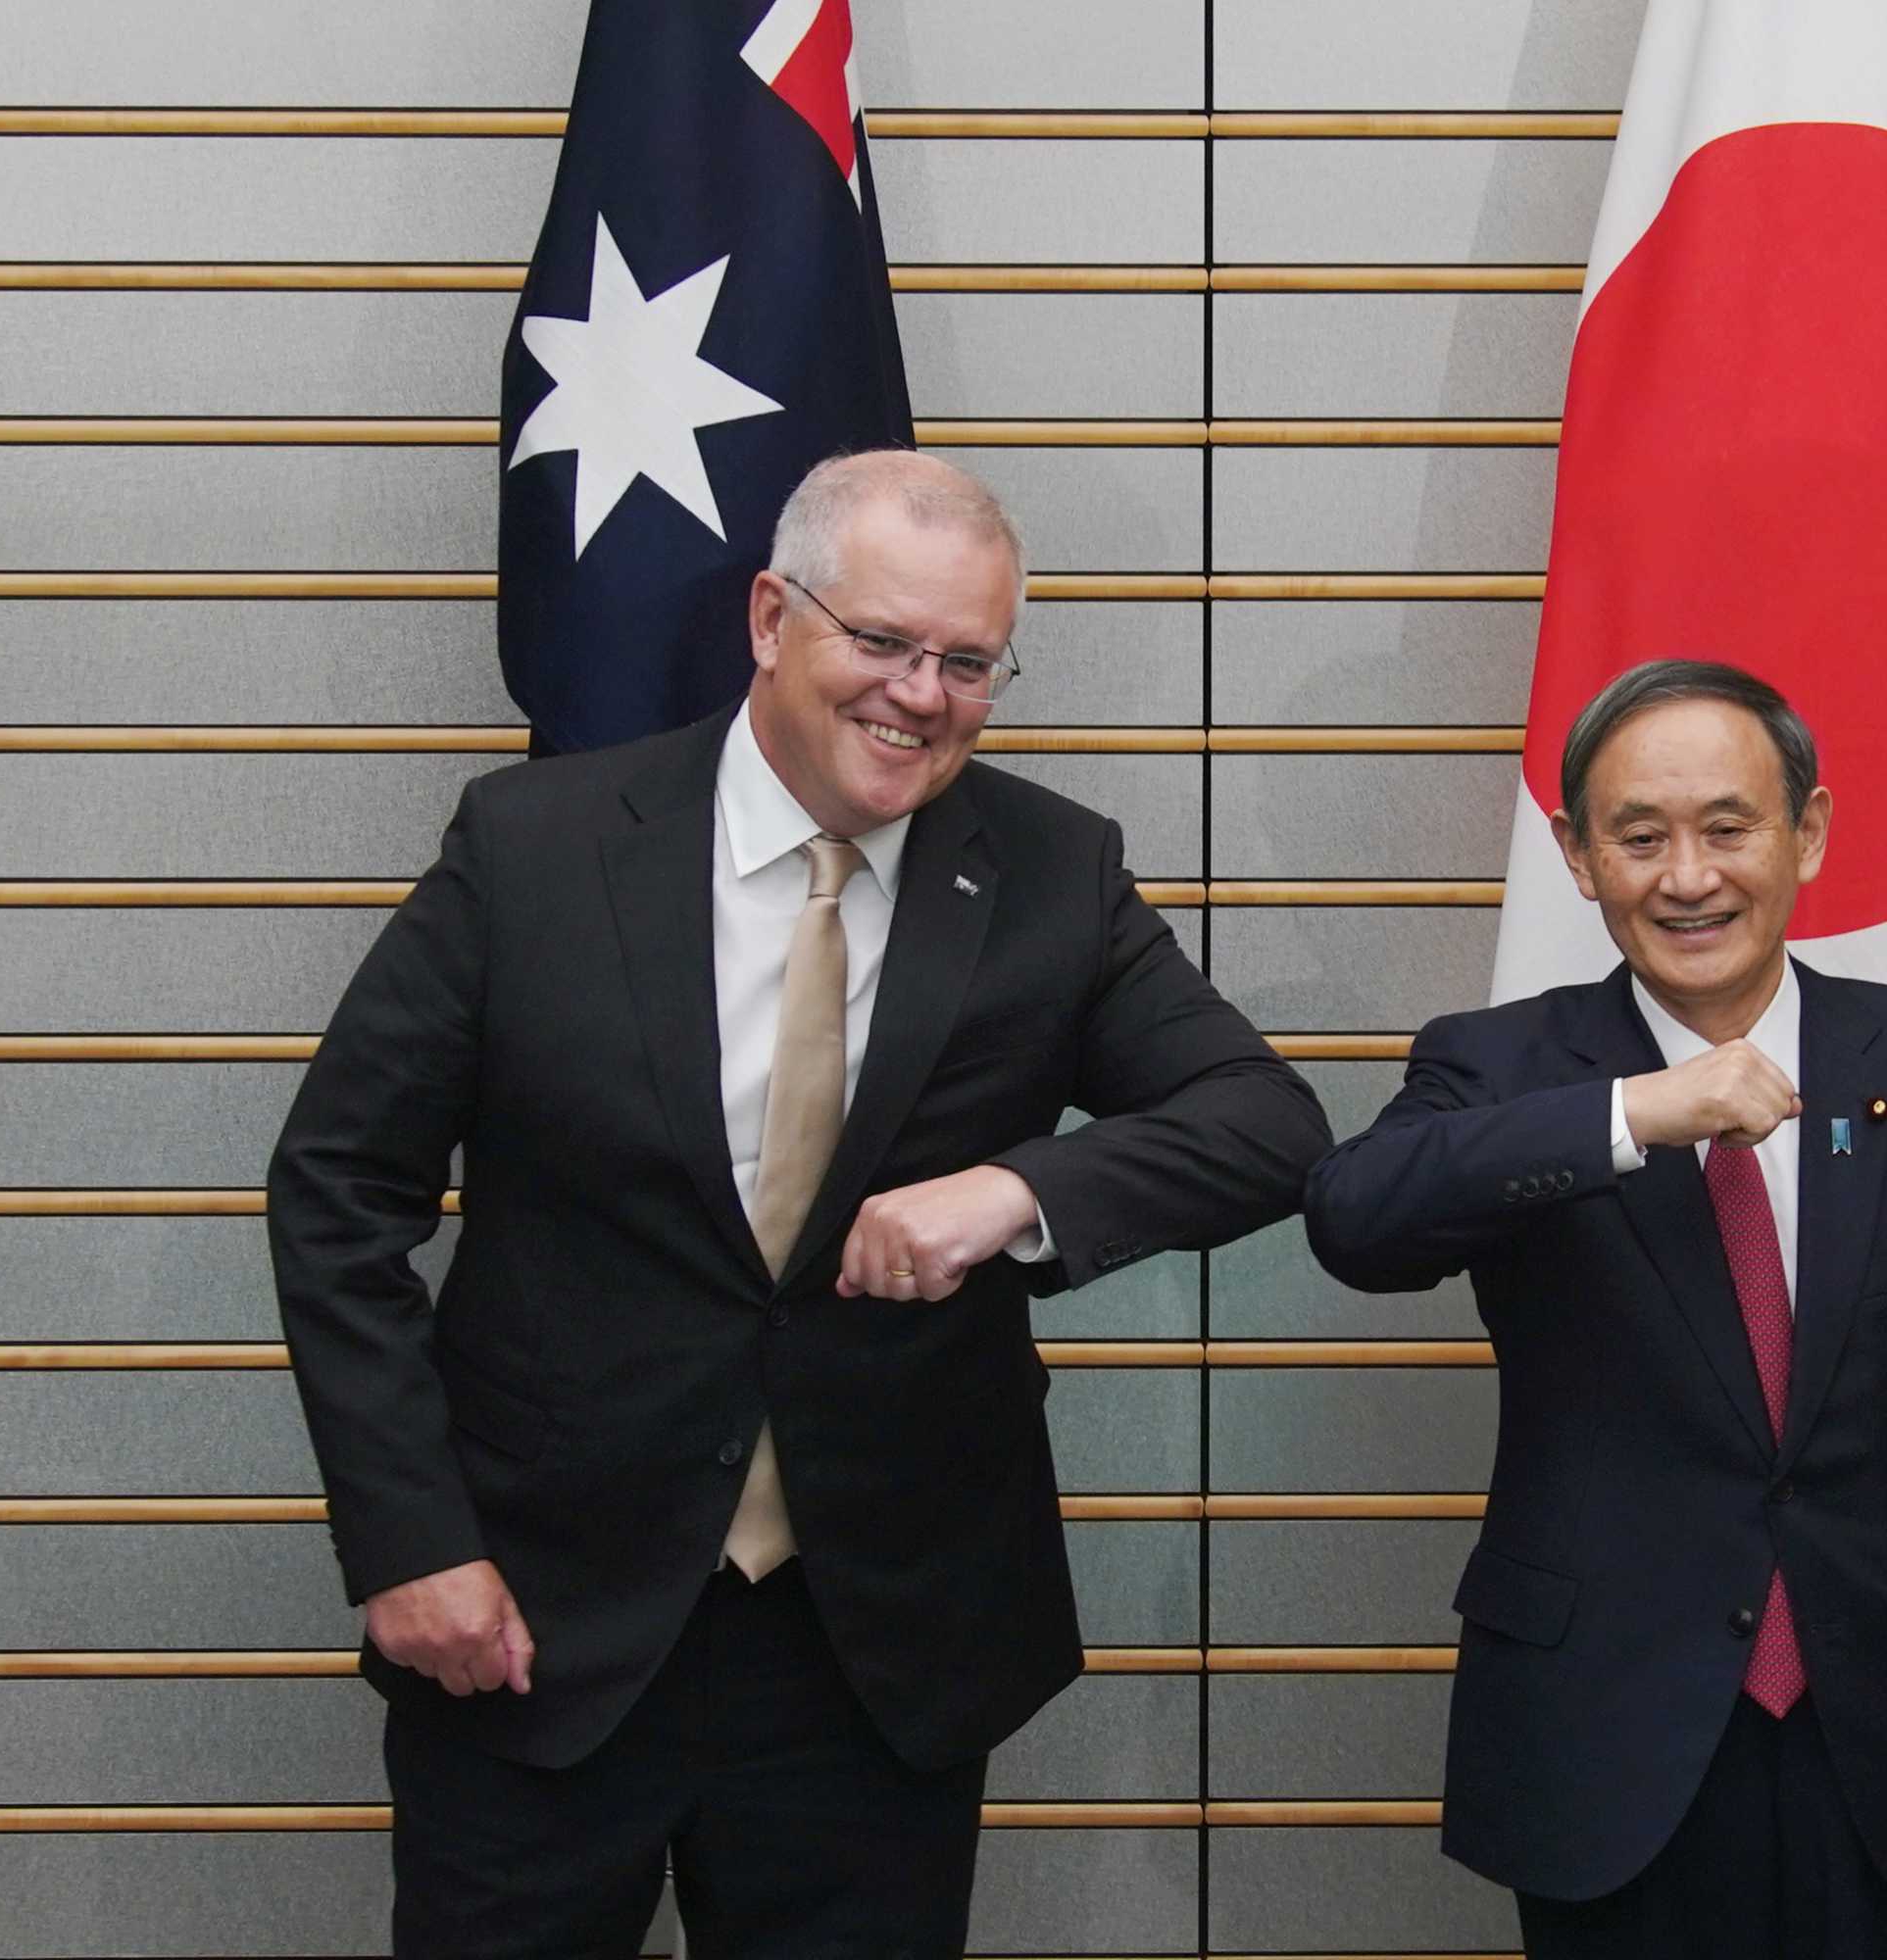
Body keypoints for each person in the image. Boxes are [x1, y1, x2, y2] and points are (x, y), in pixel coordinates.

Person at [269, 450, 1330, 1958]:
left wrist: (1015, 1189)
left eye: (969, 662)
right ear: (772, 617)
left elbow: (1266, 1124)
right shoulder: (537, 846)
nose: (920, 693)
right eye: (883, 642)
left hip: (874, 1653)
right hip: (535, 1622)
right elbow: (336, 1187)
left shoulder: (1049, 871)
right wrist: (405, 1538)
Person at [1303, 660, 1887, 1958]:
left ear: (1807, 832)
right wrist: (1636, 1115)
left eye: (1729, 828)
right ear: (1579, 857)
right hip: (1615, 1736)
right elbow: (1357, 1219)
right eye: (1641, 838)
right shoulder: (1503, 1067)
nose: (1689, 876)